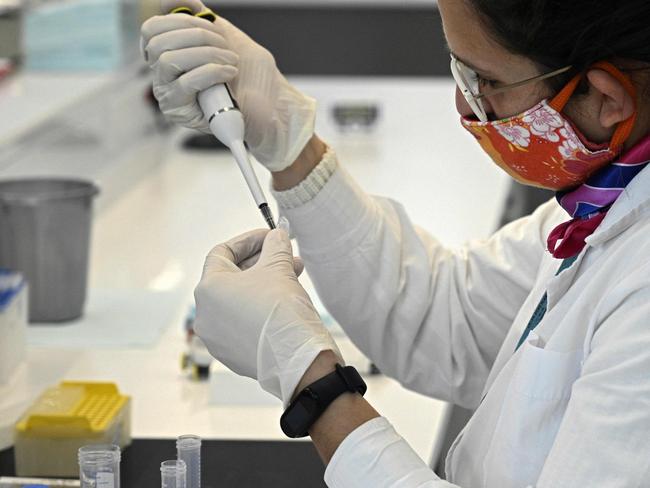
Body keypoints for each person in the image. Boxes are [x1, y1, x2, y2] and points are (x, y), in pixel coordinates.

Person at [141, 0, 650, 486]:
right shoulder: (612, 196)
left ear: (606, 99)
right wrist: (289, 141)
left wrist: (311, 382)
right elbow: (448, 317)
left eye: (486, 80)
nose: (463, 102)